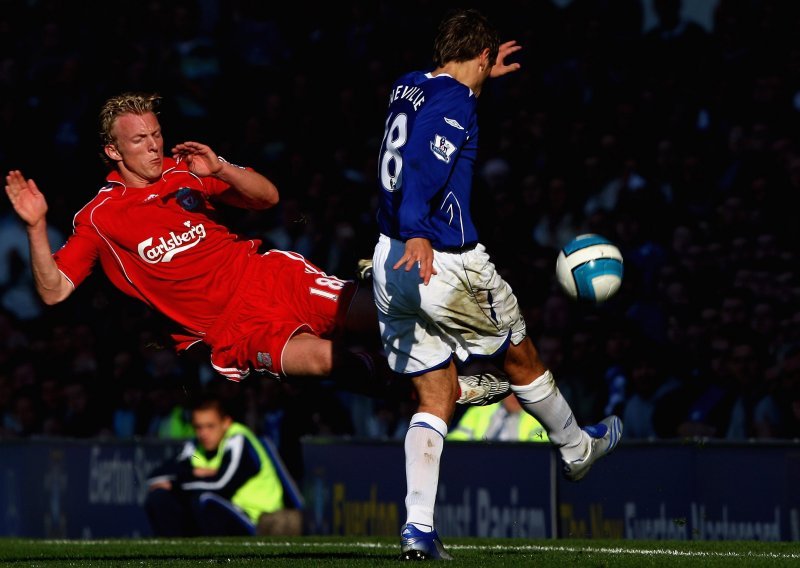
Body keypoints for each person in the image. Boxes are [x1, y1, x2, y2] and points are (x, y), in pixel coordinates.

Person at [3, 91, 509, 409]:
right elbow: (54, 293)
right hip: (230, 328)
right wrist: (36, 226)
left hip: (269, 275)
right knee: (333, 363)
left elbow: (268, 198)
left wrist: (220, 169)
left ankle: (489, 353)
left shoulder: (185, 172)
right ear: (114, 151)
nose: (155, 146)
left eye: (157, 134)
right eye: (139, 140)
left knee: (381, 314)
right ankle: (453, 388)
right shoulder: (99, 218)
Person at [370, 8, 623, 560]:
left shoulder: (409, 85)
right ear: (482, 56)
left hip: (389, 261)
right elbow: (421, 163)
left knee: (434, 392)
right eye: (486, 66)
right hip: (439, 257)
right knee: (521, 356)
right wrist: (418, 232)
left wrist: (482, 85)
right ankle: (578, 447)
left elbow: (432, 125)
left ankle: (417, 528)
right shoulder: (458, 102)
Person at [144, 393, 300, 536]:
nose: (203, 433)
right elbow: (156, 477)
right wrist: (193, 473)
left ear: (226, 423)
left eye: (210, 426)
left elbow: (221, 483)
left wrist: (177, 484)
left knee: (204, 499)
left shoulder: (238, 439)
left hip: (256, 517)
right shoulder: (195, 446)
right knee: (159, 497)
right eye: (198, 427)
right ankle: (175, 555)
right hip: (225, 510)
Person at [447, 394, 549, 443]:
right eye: (511, 391)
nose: (514, 397)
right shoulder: (478, 411)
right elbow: (457, 441)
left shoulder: (537, 415)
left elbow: (540, 450)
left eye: (519, 392)